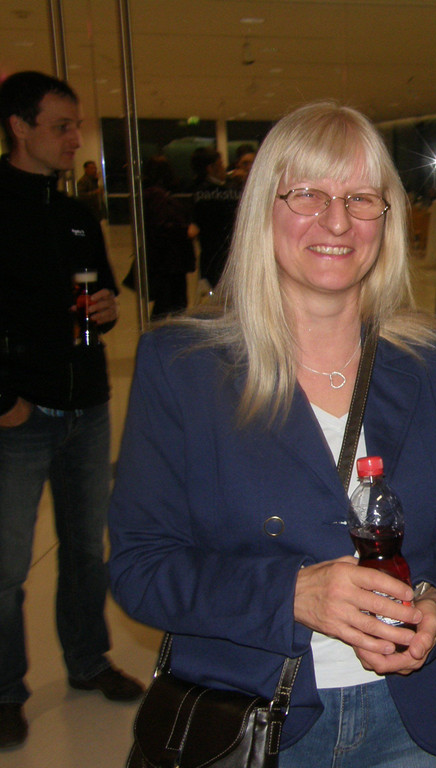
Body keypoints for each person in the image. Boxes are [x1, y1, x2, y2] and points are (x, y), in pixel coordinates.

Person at [107, 101, 436, 766]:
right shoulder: (184, 367)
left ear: (387, 218)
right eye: (307, 194)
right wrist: (292, 594)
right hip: (254, 717)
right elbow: (139, 567)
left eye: (361, 198)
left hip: (415, 721)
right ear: (262, 210)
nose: (337, 220)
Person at [0, 71, 142, 751]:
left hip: (87, 406)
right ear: (18, 127)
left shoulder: (76, 214)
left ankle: (88, 661)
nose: (73, 139)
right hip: (18, 416)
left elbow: (103, 301)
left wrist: (107, 311)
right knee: (7, 566)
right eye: (60, 126)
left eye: (75, 126)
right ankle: (5, 690)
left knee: (87, 550)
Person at [141, 154, 195, 318]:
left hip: (166, 261)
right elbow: (162, 226)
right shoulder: (158, 196)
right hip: (170, 261)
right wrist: (185, 230)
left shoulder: (152, 195)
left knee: (168, 304)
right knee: (171, 304)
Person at [189, 145, 241, 290]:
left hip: (208, 259)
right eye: (221, 164)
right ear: (211, 168)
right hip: (224, 258)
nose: (224, 168)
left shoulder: (196, 191)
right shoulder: (223, 194)